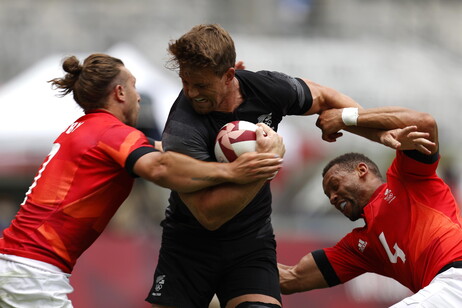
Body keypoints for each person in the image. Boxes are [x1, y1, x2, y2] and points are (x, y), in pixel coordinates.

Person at [0, 53, 285, 308]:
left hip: (17, 264)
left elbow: (170, 150)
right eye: (134, 86)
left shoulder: (89, 129)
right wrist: (233, 173)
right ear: (121, 92)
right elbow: (161, 167)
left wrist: (220, 91)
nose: (139, 96)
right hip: (31, 274)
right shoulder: (112, 132)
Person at [145, 24, 364, 308]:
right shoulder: (182, 130)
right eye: (185, 81)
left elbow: (325, 97)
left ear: (229, 75)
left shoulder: (265, 88)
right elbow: (209, 214)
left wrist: (373, 126)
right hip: (189, 248)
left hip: (251, 244)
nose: (190, 92)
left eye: (200, 85)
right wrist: (265, 163)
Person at [278, 106, 462, 307]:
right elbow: (291, 279)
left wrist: (344, 117)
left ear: (362, 170)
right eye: (329, 195)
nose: (332, 197)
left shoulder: (407, 179)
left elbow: (424, 123)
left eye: (334, 185)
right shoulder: (360, 246)